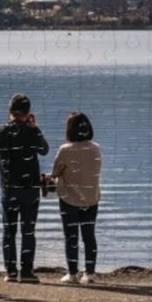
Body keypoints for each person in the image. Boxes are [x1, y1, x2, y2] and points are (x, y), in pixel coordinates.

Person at [0, 93, 49, 282]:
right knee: (28, 231)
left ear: (10, 111)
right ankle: (26, 272)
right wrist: (35, 128)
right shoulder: (33, 132)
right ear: (28, 112)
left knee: (9, 231)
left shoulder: (1, 131)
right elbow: (44, 150)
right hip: (30, 188)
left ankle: (11, 272)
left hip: (9, 187)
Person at [48, 111, 102, 283]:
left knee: (71, 237)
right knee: (89, 236)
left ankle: (72, 273)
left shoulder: (65, 150)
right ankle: (90, 273)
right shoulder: (95, 148)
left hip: (69, 200)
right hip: (91, 198)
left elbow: (56, 172)